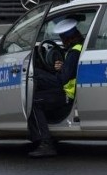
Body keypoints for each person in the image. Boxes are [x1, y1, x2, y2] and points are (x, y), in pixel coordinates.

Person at [27, 18, 84, 158]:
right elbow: (68, 72)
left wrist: (39, 77)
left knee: (33, 102)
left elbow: (62, 80)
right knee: (38, 80)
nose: (61, 40)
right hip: (66, 92)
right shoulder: (77, 48)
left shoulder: (74, 53)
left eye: (62, 38)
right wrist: (61, 67)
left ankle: (46, 143)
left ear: (67, 37)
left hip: (66, 95)